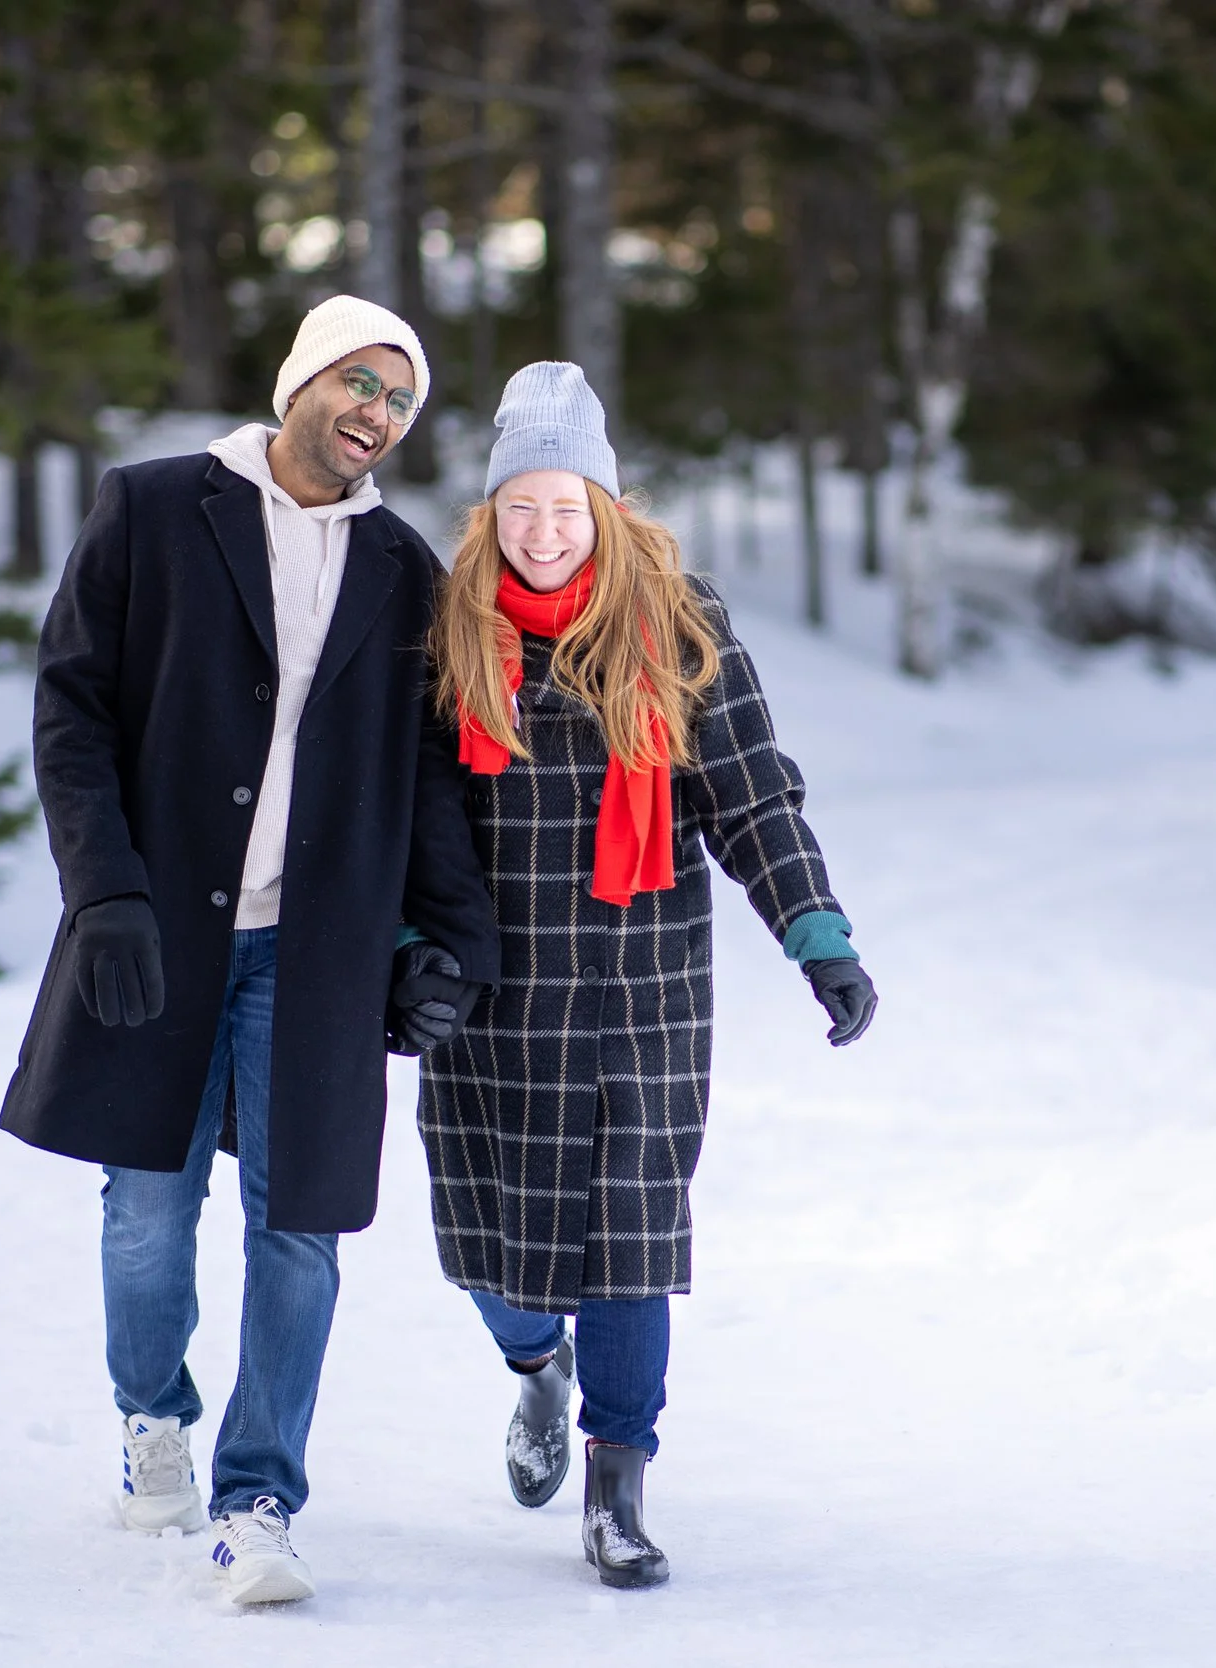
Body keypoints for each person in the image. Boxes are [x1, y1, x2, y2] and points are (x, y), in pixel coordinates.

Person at [0, 296, 500, 1606]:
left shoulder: (403, 569)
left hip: (312, 955)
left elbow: (433, 776)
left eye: (400, 399)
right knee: (149, 1215)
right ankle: (152, 1412)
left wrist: (452, 941)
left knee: (303, 1230)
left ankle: (259, 1498)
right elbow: (73, 707)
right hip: (158, 932)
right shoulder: (157, 508)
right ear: (300, 379)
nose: (377, 413)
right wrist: (103, 892)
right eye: (359, 381)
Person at [413, 362, 878, 1589]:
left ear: (606, 509)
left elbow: (750, 792)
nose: (545, 531)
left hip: (642, 992)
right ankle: (533, 1369)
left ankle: (616, 1492)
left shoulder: (680, 623)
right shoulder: (449, 629)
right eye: (521, 507)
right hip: (492, 996)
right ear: (491, 512)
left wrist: (815, 931)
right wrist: (406, 952)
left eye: (567, 506)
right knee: (488, 1251)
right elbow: (402, 819)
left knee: (628, 1243)